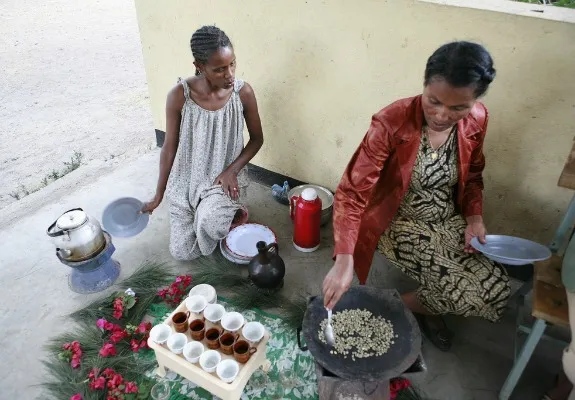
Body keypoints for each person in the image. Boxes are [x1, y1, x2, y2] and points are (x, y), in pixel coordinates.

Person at [322, 41, 510, 351]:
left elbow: (474, 174)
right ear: (423, 85)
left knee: (498, 289)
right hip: (396, 220)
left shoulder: (478, 119)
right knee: (463, 292)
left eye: (458, 108)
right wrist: (344, 259)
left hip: (446, 219)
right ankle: (383, 307)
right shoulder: (391, 121)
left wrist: (475, 218)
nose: (441, 115)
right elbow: (353, 193)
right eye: (433, 101)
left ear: (474, 101)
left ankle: (414, 305)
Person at [142, 25, 264, 261]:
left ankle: (228, 213)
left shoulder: (243, 92)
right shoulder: (180, 96)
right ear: (199, 66)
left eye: (232, 64)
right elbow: (169, 147)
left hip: (224, 180)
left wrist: (232, 170)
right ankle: (203, 212)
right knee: (183, 253)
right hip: (188, 180)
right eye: (219, 69)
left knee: (212, 223)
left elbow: (258, 139)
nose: (229, 74)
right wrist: (159, 194)